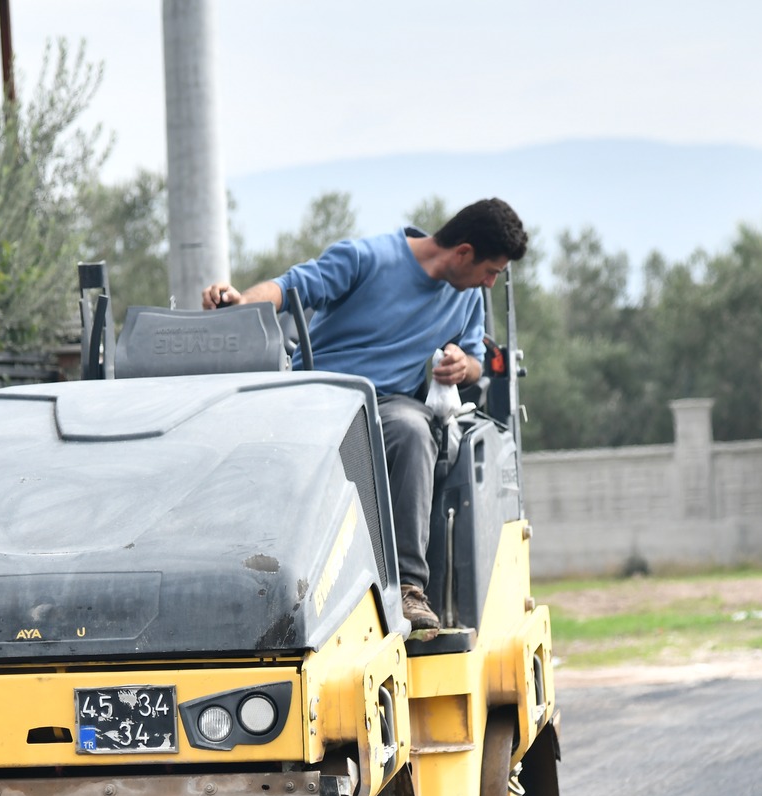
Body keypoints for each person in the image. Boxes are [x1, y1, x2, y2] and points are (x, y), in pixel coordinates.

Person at [201, 198, 528, 632]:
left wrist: (460, 364)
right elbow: (290, 287)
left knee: (413, 430)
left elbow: (473, 359)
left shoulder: (467, 296)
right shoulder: (365, 258)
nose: (490, 282)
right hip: (319, 397)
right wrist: (241, 303)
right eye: (491, 270)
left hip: (387, 407)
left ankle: (408, 589)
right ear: (463, 252)